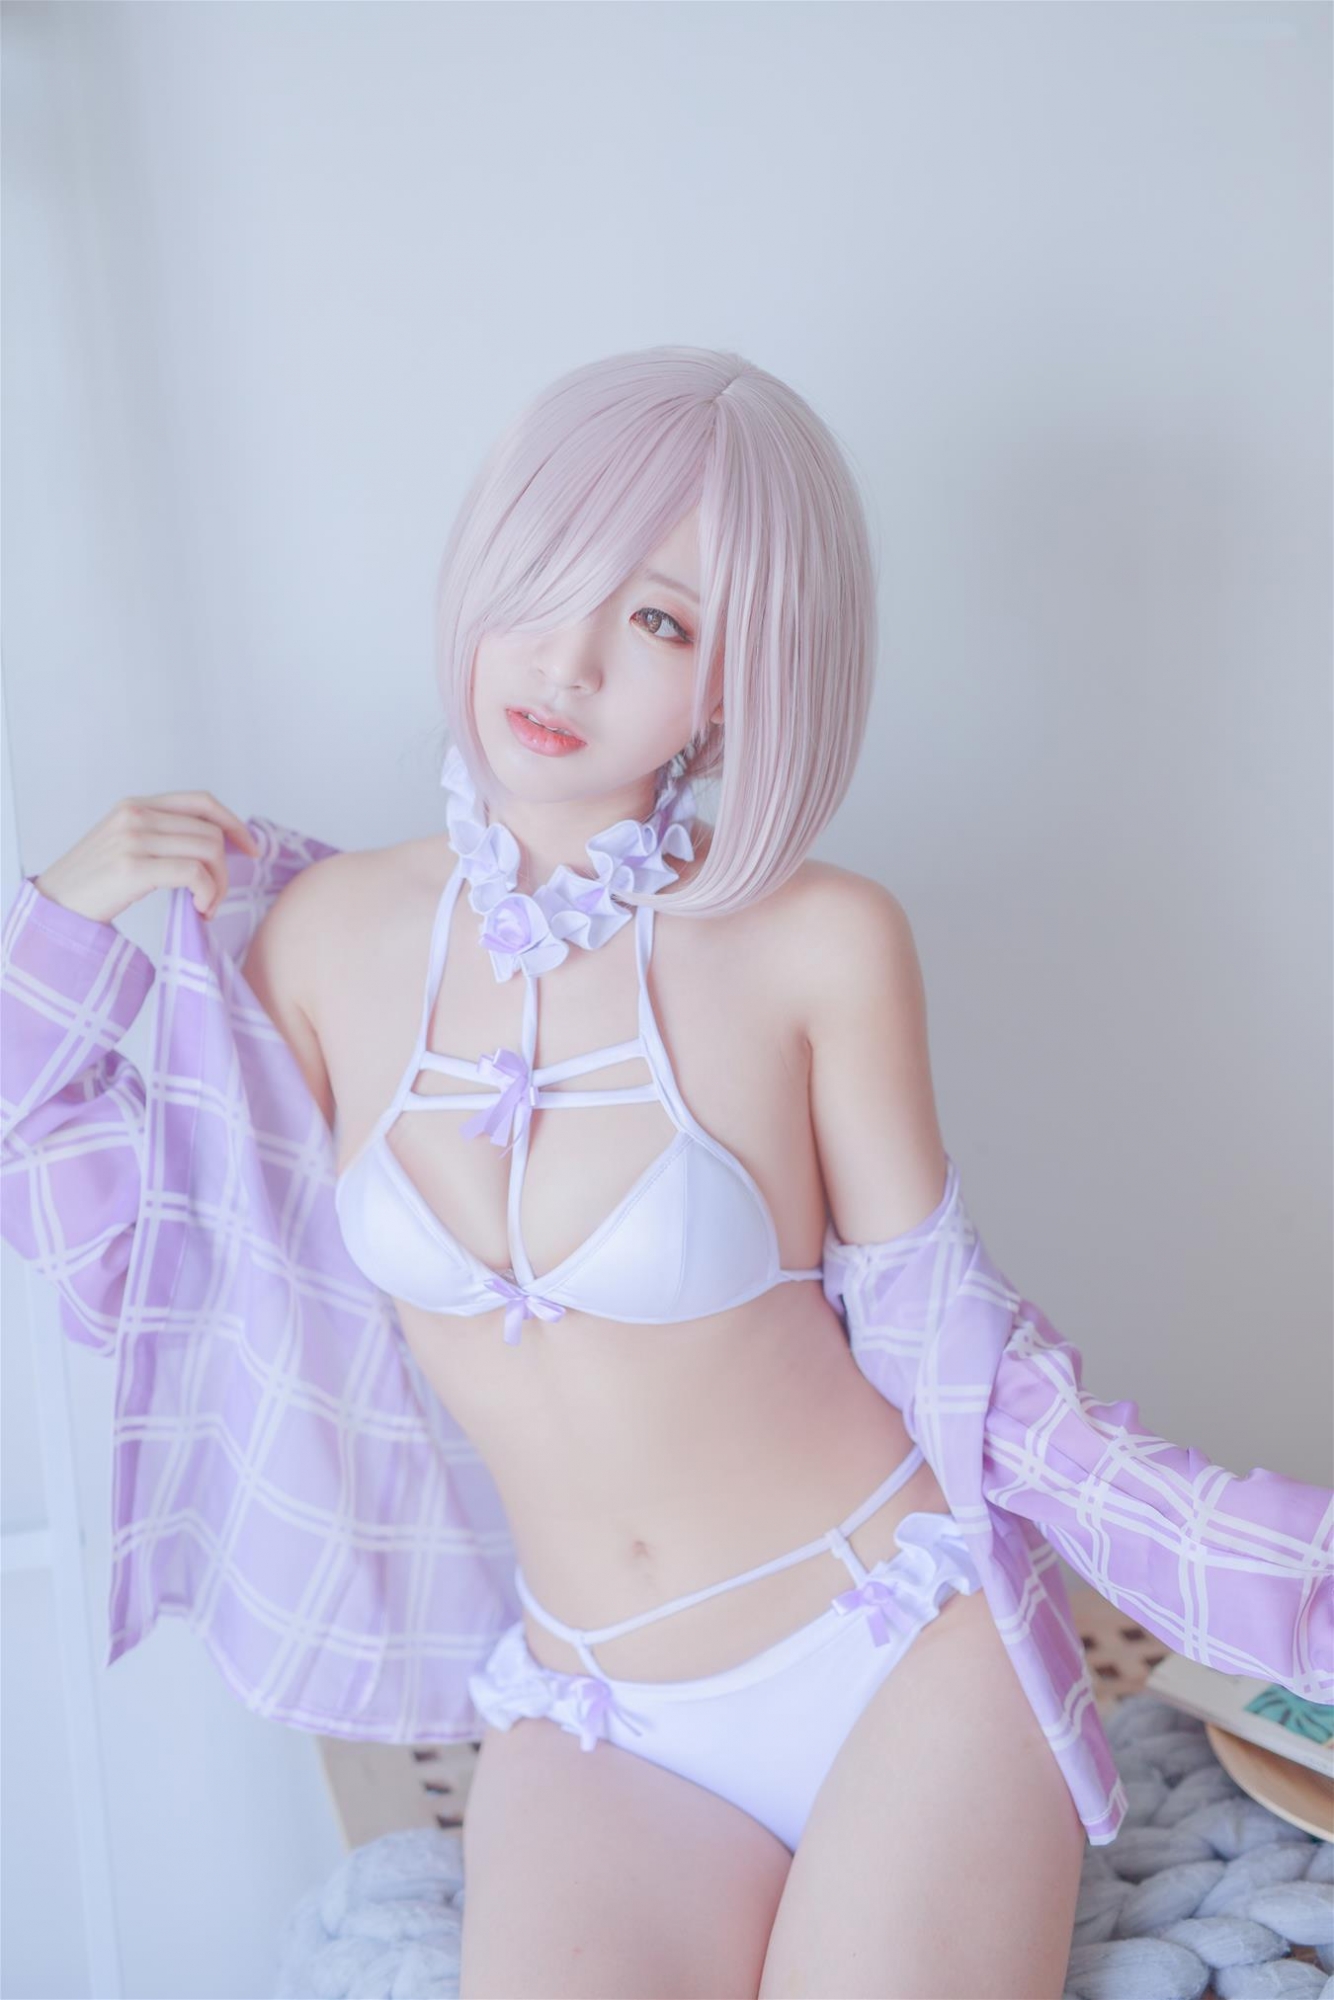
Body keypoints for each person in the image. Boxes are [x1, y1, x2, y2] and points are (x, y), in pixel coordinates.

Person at [4, 346, 1329, 2000]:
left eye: (658, 620)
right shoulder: (319, 944)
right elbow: (145, 1279)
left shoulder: (819, 944)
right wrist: (51, 942)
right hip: (595, 1708)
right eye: (544, 578)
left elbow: (956, 1354)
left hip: (897, 1645)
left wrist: (1283, 1574)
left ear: (737, 682)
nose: (563, 660)